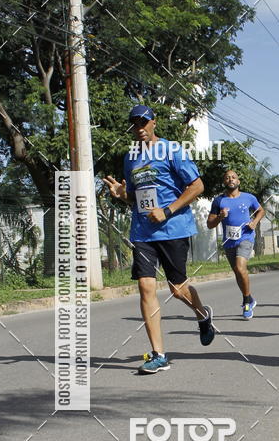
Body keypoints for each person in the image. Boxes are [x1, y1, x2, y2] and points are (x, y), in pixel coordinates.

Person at [104, 104, 215, 374]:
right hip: (143, 230)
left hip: (173, 228)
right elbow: (134, 196)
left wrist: (167, 210)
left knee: (177, 289)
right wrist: (122, 194)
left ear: (154, 123)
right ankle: (158, 354)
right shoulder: (130, 158)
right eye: (135, 123)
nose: (140, 128)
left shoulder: (172, 150)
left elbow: (197, 186)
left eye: (144, 122)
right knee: (146, 287)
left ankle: (202, 315)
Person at [207, 170, 265, 319]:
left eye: (233, 177)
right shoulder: (218, 201)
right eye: (227, 177)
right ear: (224, 182)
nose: (230, 179)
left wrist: (254, 222)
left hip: (246, 237)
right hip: (229, 241)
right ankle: (250, 298)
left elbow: (260, 211)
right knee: (238, 274)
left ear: (238, 181)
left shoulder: (249, 197)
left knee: (240, 267)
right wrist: (220, 217)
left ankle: (246, 302)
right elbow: (209, 224)